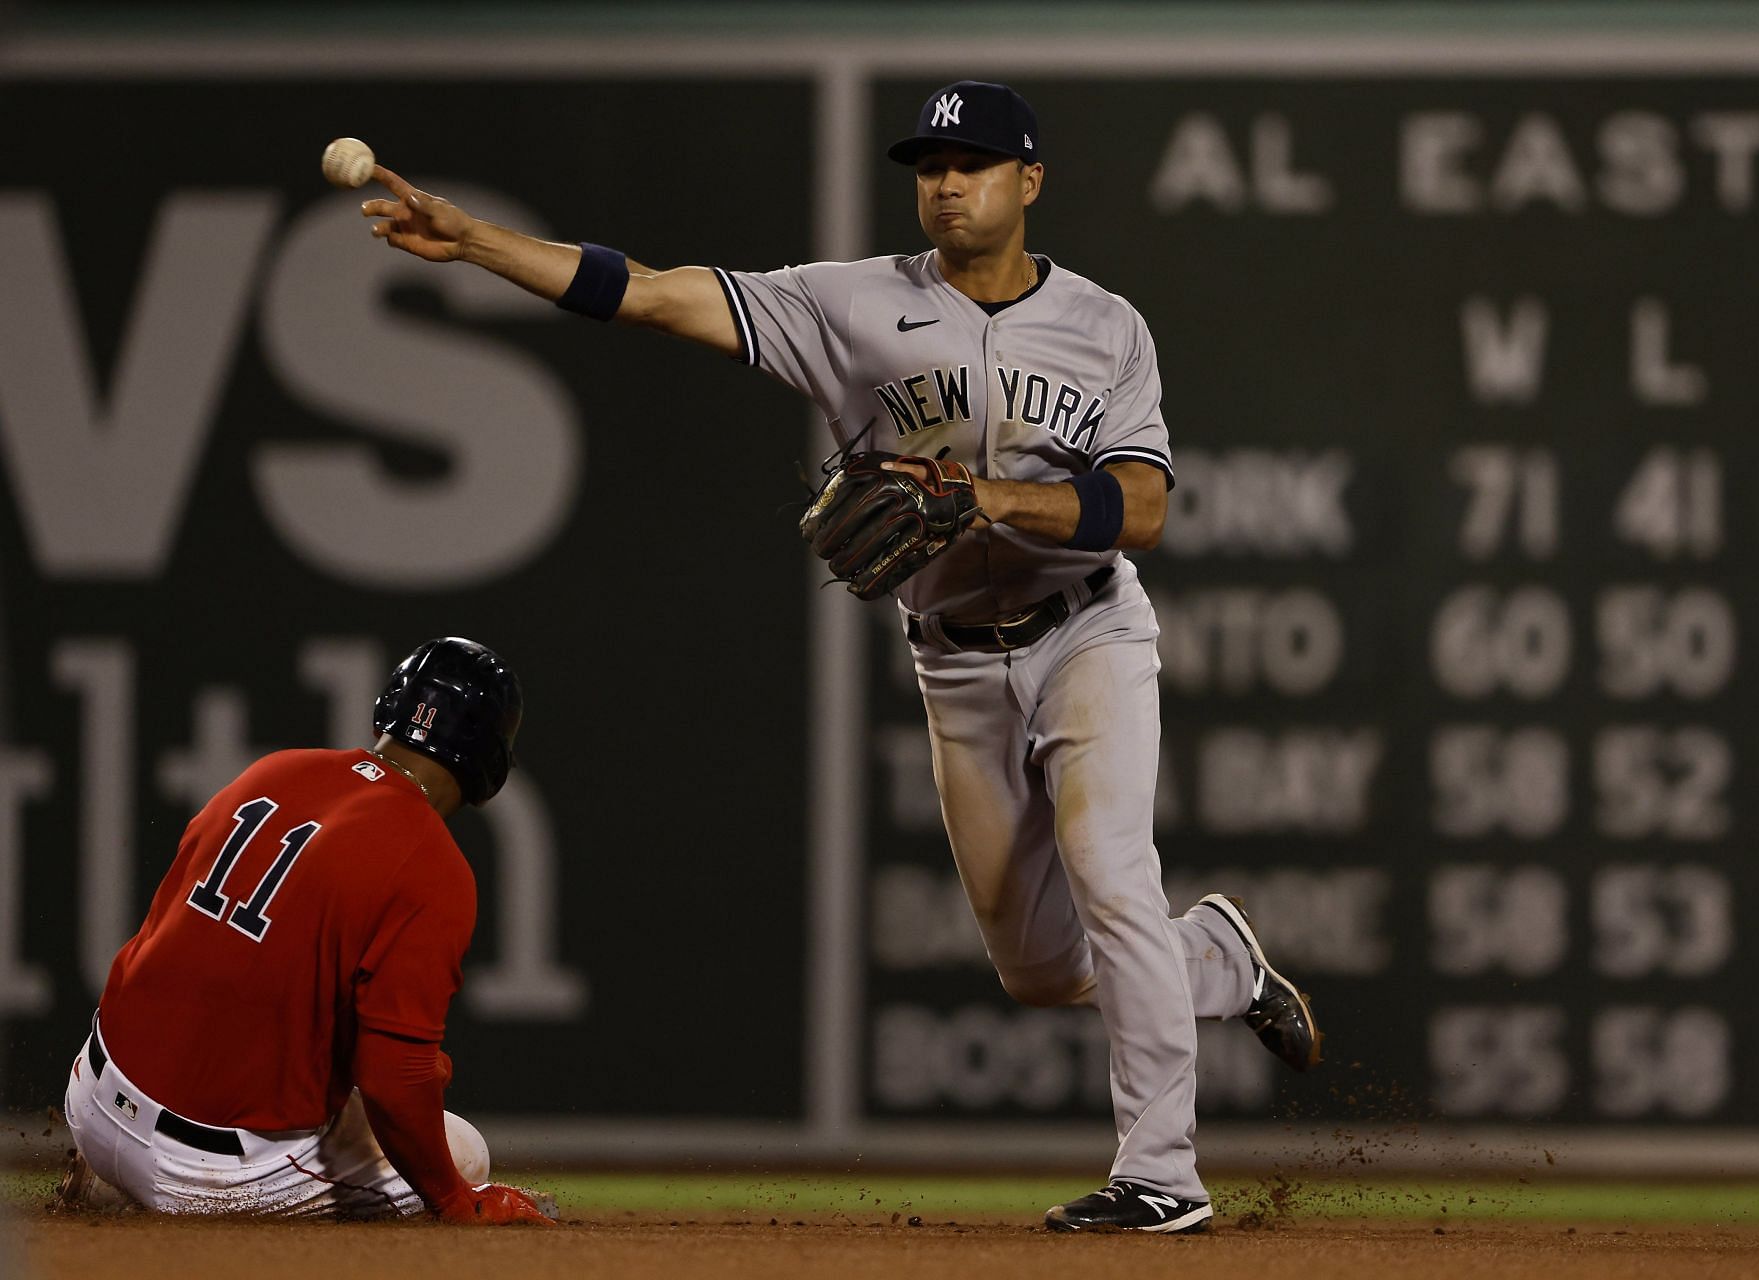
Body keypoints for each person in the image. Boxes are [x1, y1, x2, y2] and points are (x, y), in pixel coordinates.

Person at [359, 80, 1322, 1234]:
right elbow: (652, 295)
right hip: (954, 661)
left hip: (1090, 632)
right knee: (1041, 968)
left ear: (1031, 181)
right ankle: (1213, 957)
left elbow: (1145, 510)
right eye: (929, 165)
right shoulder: (849, 305)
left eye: (972, 163)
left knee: (1112, 866)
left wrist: (983, 497)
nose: (947, 183)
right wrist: (475, 244)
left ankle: (1160, 1172)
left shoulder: (1108, 326)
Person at [58, 638, 553, 1224]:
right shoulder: (435, 866)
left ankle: (111, 1176)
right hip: (201, 1171)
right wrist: (451, 1198)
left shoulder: (277, 768)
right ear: (489, 761)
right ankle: (151, 1188)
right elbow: (394, 1081)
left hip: (90, 1097)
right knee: (463, 1153)